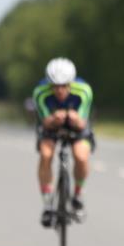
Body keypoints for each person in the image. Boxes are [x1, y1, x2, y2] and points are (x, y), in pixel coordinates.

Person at [32, 58, 95, 227]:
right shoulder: (40, 92)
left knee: (81, 156)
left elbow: (83, 122)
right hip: (51, 125)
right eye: (55, 86)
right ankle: (47, 202)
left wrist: (74, 118)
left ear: (71, 83)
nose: (59, 90)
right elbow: (44, 121)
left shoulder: (84, 91)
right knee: (46, 154)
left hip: (76, 125)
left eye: (64, 85)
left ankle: (78, 195)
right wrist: (53, 119)